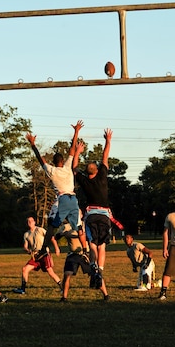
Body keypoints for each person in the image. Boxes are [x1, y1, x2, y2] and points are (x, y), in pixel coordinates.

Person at [26, 120, 87, 258]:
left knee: (52, 225)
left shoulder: (52, 171)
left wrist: (33, 144)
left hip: (63, 199)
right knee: (78, 227)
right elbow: (72, 150)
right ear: (63, 160)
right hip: (74, 200)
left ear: (53, 162)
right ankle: (85, 250)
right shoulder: (68, 168)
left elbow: (40, 159)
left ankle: (43, 249)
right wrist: (76, 131)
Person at [73, 128, 113, 291]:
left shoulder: (84, 181)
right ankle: (100, 270)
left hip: (90, 216)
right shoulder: (102, 175)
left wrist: (77, 151)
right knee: (102, 246)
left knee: (92, 245)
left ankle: (93, 267)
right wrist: (108, 140)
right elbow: (105, 157)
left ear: (87, 172)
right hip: (104, 215)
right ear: (97, 170)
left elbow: (74, 167)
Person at [54, 219, 109, 302]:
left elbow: (90, 237)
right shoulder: (66, 227)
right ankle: (64, 297)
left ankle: (106, 295)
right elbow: (56, 237)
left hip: (85, 254)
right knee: (67, 274)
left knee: (95, 273)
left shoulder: (86, 225)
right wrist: (61, 235)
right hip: (73, 254)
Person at [13, 216, 62, 295]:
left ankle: (62, 287)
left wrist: (57, 248)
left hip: (44, 254)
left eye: (31, 221)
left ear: (34, 222)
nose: (30, 222)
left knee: (50, 271)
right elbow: (25, 246)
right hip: (35, 256)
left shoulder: (40, 230)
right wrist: (27, 250)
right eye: (28, 221)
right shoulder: (26, 234)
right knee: (25, 269)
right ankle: (22, 289)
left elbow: (51, 238)